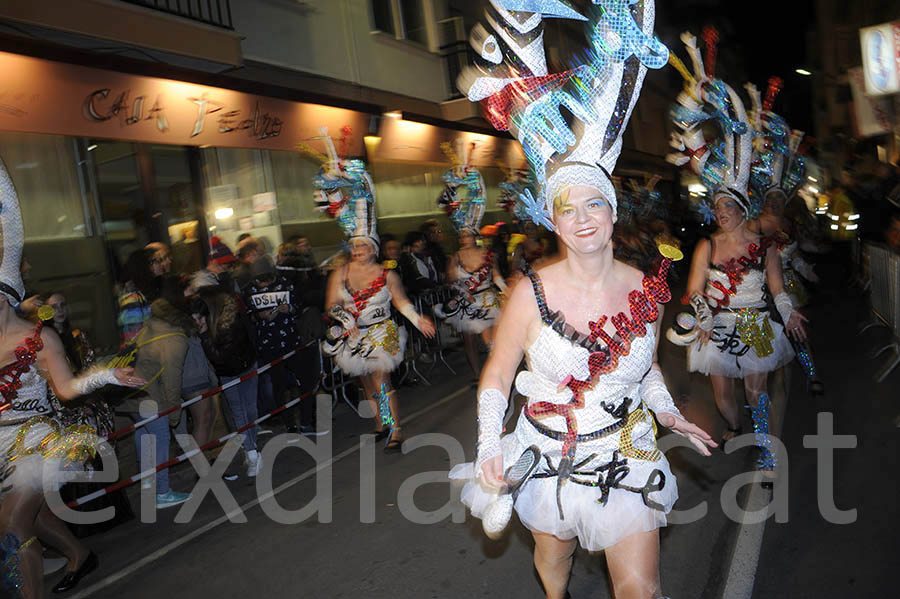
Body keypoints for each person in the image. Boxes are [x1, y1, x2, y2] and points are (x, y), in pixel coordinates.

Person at [450, 6, 714, 598]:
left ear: (612, 212)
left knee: (640, 589)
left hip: (626, 452)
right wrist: (491, 443)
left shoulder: (645, 285)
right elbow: (496, 372)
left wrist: (668, 411)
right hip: (548, 453)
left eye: (593, 203)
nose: (582, 218)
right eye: (566, 208)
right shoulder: (529, 291)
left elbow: (642, 371)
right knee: (553, 560)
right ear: (553, 219)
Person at [0, 158, 145, 598]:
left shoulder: (38, 336)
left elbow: (65, 389)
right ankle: (79, 555)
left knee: (10, 526)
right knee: (31, 518)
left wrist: (103, 374)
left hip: (39, 440)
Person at [669, 41, 801, 485]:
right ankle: (735, 425)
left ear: (743, 209)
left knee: (755, 388)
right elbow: (692, 291)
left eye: (728, 206)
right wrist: (701, 317)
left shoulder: (764, 245)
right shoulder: (706, 245)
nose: (721, 212)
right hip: (718, 324)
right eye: (718, 206)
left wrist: (790, 312)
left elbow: (778, 289)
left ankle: (764, 447)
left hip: (757, 323)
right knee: (725, 394)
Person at [311, 132, 435, 452]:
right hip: (353, 336)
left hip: (381, 333)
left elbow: (402, 302)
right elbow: (330, 305)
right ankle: (381, 424)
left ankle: (395, 429)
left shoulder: (386, 273)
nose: (358, 250)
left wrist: (416, 318)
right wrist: (345, 318)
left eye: (364, 246)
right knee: (365, 381)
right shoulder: (340, 272)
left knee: (381, 380)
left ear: (373, 249)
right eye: (354, 246)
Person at [117, 277, 194, 509]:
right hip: (150, 399)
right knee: (160, 441)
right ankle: (162, 492)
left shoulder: (147, 329)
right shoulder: (176, 338)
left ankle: (150, 490)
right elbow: (172, 380)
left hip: (131, 395)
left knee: (144, 440)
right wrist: (174, 412)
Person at [243, 255, 322, 436]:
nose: (264, 283)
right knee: (278, 386)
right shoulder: (248, 290)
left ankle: (306, 421)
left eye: (267, 278)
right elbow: (247, 315)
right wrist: (259, 316)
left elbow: (300, 306)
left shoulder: (286, 284)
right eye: (260, 280)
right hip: (268, 344)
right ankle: (290, 426)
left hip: (291, 340)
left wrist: (290, 309)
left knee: (306, 381)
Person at [193, 287, 263, 477]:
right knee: (238, 412)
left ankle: (252, 447)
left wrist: (205, 337)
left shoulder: (232, 322)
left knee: (250, 409)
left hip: (247, 366)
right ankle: (252, 454)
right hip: (228, 374)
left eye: (201, 317)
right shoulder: (209, 329)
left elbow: (223, 356)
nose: (198, 322)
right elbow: (220, 362)